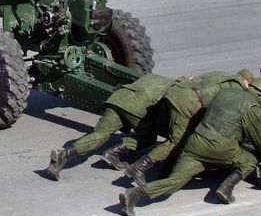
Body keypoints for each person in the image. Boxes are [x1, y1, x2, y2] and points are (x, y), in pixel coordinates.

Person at [118, 76, 261, 216]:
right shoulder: (252, 108)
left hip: (195, 143)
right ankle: (226, 189)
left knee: (174, 182)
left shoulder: (225, 93)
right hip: (220, 148)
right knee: (249, 160)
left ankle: (134, 194)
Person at [122, 69, 253, 186]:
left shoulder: (221, 74)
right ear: (247, 83)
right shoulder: (236, 88)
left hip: (176, 92)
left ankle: (164, 171)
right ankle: (139, 166)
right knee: (177, 141)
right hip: (188, 103)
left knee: (180, 135)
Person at [45, 73, 176, 180]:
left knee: (99, 134)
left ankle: (63, 154)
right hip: (136, 107)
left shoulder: (156, 77)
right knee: (148, 137)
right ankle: (113, 152)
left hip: (117, 98)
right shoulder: (178, 90)